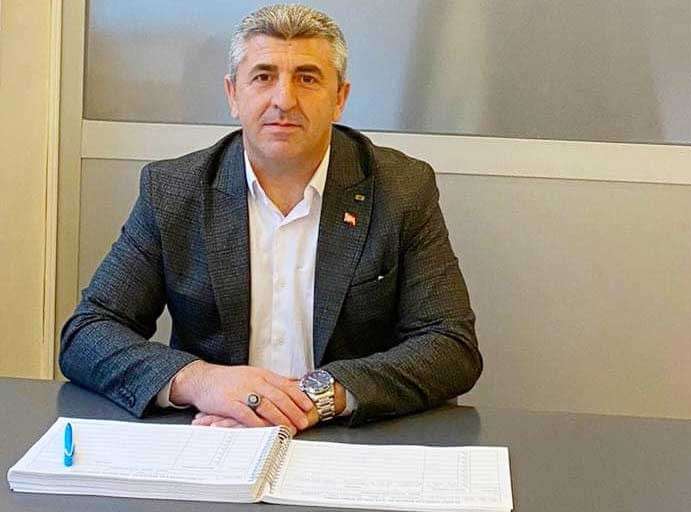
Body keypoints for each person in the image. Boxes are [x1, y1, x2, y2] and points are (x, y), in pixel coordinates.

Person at [59, 4, 481, 433]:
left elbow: (451, 345)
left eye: (307, 78)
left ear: (339, 98)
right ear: (233, 94)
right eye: (263, 77)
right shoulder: (174, 191)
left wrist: (318, 396)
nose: (284, 100)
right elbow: (88, 333)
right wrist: (201, 381)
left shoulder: (401, 189)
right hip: (213, 433)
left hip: (346, 436)